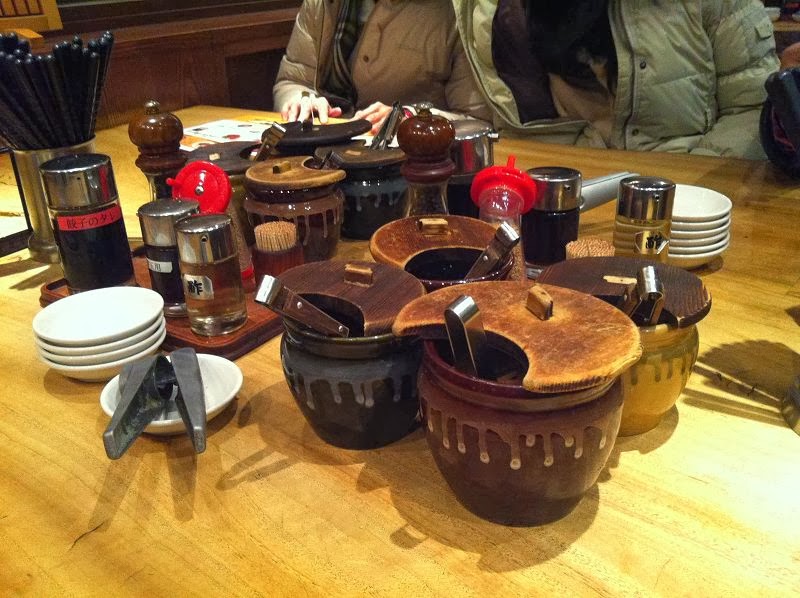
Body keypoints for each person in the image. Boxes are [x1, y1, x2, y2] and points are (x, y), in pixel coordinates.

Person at [450, 0, 780, 159]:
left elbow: (753, 110)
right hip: (568, 192)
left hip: (691, 191)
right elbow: (510, 123)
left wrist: (692, 189)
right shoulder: (497, 12)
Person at [273, 0, 492, 133]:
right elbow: (293, 80)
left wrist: (411, 119)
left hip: (410, 168)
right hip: (322, 152)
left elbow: (478, 123)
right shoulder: (322, 5)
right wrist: (301, 100)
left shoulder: (458, 12)